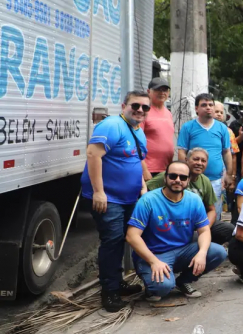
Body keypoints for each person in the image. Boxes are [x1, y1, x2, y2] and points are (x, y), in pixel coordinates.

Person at [81, 90, 149, 312]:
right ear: (124, 106)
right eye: (135, 105)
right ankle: (109, 291)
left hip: (129, 197)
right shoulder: (112, 125)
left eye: (144, 107)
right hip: (109, 198)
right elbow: (93, 154)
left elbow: (135, 161)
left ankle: (117, 282)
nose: (140, 110)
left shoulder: (137, 130)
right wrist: (99, 191)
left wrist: (142, 186)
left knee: (123, 240)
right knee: (112, 241)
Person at [127, 161, 228, 300]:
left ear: (188, 180)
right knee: (162, 288)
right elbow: (132, 236)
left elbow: (204, 231)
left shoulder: (194, 200)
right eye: (173, 176)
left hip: (183, 251)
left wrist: (202, 253)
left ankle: (184, 281)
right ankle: (154, 286)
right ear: (165, 178)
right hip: (155, 254)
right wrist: (153, 261)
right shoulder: (148, 201)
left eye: (183, 177)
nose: (178, 180)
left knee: (218, 252)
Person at [146, 147, 234, 245]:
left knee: (228, 229)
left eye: (203, 161)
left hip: (195, 224)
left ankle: (200, 248)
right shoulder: (171, 176)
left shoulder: (205, 181)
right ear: (186, 160)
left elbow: (211, 210)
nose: (199, 163)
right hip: (171, 222)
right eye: (196, 159)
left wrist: (204, 228)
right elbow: (145, 191)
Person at [177, 93, 234, 218]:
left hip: (215, 180)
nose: (208, 107)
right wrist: (184, 173)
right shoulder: (188, 127)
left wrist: (229, 174)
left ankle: (210, 236)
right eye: (204, 105)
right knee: (190, 212)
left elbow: (227, 152)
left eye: (210, 105)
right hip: (193, 181)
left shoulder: (222, 128)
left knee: (214, 213)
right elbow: (182, 152)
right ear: (196, 108)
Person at [141, 77, 173, 180]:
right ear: (148, 92)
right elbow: (136, 143)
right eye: (158, 89)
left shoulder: (168, 113)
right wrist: (144, 169)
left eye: (165, 90)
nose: (162, 92)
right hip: (149, 170)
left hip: (166, 169)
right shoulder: (143, 112)